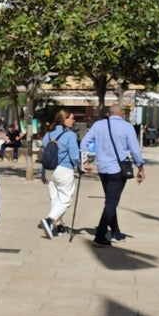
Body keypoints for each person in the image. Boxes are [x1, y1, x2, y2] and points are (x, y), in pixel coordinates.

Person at [81, 104, 145, 246]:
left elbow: (84, 142)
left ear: (109, 114)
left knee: (110, 200)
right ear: (121, 113)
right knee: (111, 202)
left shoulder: (98, 125)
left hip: (103, 168)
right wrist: (140, 167)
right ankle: (100, 236)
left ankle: (115, 231)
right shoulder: (127, 127)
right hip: (118, 169)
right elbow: (135, 150)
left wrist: (84, 161)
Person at [38, 110, 81, 238]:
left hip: (49, 170)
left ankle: (59, 226)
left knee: (55, 198)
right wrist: (80, 165)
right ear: (64, 120)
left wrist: (42, 172)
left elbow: (44, 154)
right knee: (66, 199)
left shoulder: (48, 135)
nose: (73, 121)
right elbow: (74, 155)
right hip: (64, 169)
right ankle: (50, 220)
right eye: (71, 118)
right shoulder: (70, 135)